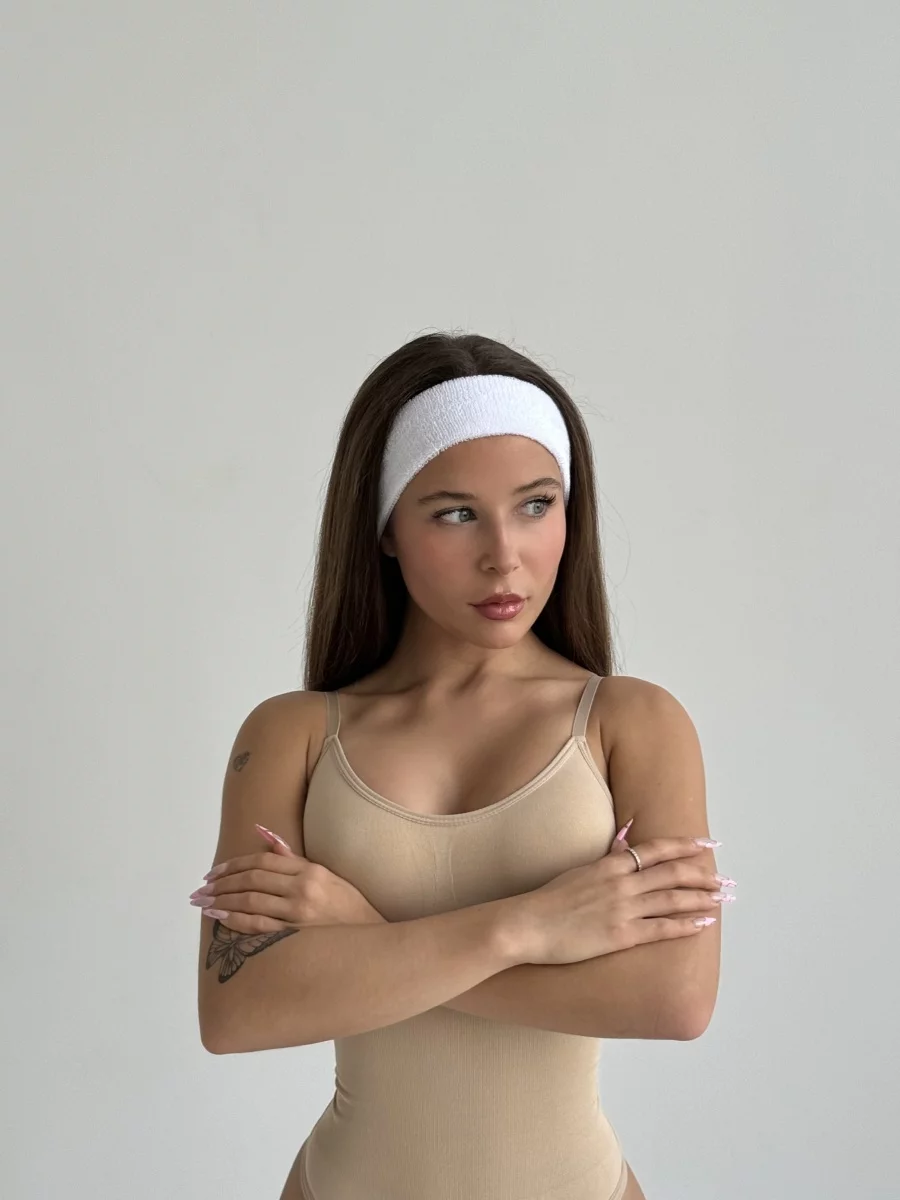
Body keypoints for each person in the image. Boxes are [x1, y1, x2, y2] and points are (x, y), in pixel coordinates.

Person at [193, 332, 730, 1199]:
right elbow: (238, 1012)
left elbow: (675, 1000)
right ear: (386, 527)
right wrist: (530, 927)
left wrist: (365, 938)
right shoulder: (293, 735)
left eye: (536, 505)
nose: (504, 555)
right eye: (454, 513)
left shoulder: (631, 723)